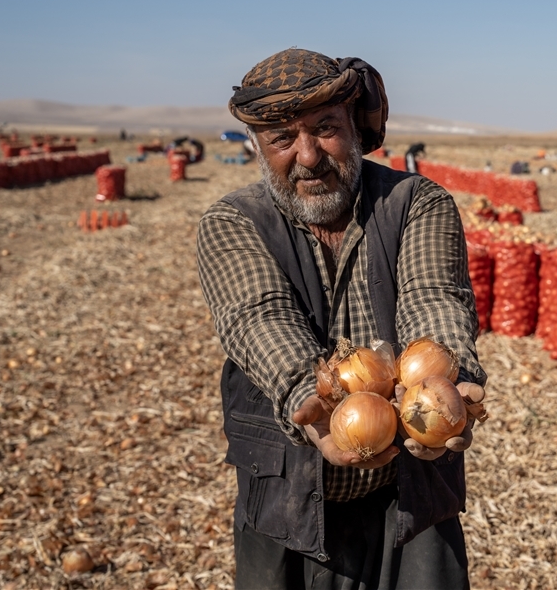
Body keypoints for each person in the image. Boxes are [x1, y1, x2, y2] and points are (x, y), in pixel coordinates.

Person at [196, 48, 487, 590]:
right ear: (259, 147)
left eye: (324, 128)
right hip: (285, 505)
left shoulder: (414, 202)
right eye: (283, 139)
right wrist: (314, 395)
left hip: (410, 499)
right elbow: (258, 318)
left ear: (356, 126)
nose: (307, 156)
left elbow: (436, 299)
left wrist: (440, 380)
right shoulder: (234, 222)